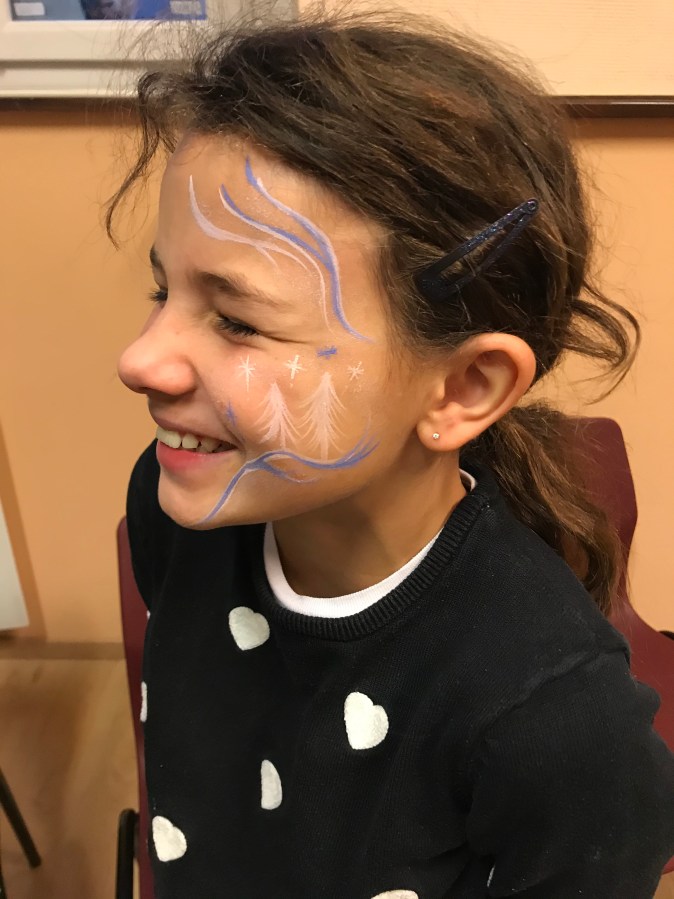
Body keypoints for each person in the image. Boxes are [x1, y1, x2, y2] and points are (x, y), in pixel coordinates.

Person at [110, 7, 674, 897]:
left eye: (238, 320)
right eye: (162, 291)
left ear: (463, 387)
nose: (139, 359)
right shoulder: (175, 509)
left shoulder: (557, 725)